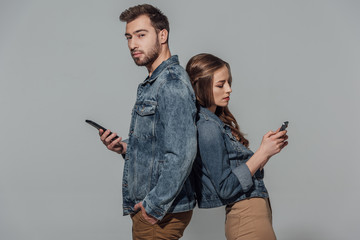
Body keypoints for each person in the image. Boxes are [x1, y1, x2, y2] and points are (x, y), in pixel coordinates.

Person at [98, 4, 197, 239]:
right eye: (129, 37)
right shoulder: (155, 81)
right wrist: (124, 146)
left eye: (141, 35)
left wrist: (153, 206)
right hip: (154, 210)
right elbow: (159, 145)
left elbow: (182, 154)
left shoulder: (170, 83)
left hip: (160, 213)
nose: (133, 44)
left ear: (162, 35)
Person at [186, 53, 288, 240]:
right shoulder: (207, 127)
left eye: (229, 83)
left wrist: (267, 152)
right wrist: (261, 153)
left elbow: (237, 172)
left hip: (253, 213)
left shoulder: (215, 122)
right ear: (200, 87)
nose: (229, 89)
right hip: (246, 215)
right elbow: (225, 187)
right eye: (220, 84)